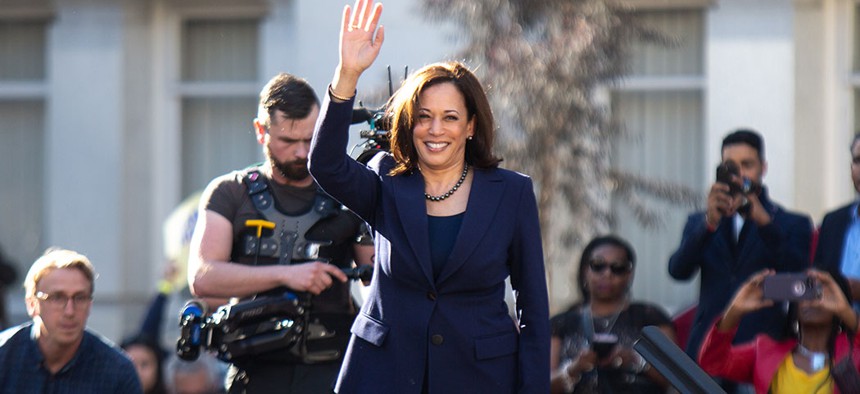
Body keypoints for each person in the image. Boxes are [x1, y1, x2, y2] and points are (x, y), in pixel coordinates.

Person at [308, 1, 550, 392]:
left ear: (471, 126)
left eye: (450, 117)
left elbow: (534, 309)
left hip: (480, 378)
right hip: (384, 375)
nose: (435, 130)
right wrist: (348, 74)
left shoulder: (512, 193)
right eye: (424, 116)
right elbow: (326, 165)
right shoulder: (386, 179)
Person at [187, 70, 375, 393]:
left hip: (332, 369)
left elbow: (379, 278)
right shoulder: (230, 193)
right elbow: (203, 278)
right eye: (289, 141)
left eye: (310, 139)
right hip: (255, 369)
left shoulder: (347, 188)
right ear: (261, 131)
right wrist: (287, 275)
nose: (302, 152)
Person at [668, 129, 813, 365]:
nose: (740, 175)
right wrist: (709, 224)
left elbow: (801, 281)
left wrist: (764, 222)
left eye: (747, 165)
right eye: (731, 167)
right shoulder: (700, 221)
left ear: (763, 168)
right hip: (708, 344)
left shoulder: (791, 222)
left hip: (761, 346)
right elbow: (678, 270)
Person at [0, 248, 142, 393]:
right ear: (32, 304)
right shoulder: (4, 357)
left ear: (90, 305)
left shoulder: (117, 371)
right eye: (57, 297)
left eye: (80, 298)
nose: (70, 311)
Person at [698, 269, 860, 394]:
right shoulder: (765, 351)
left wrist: (847, 313)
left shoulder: (854, 351)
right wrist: (734, 311)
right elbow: (712, 362)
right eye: (804, 290)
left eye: (820, 292)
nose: (811, 300)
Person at [549, 235, 675, 393]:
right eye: (598, 265)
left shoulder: (650, 317)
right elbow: (542, 385)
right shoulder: (561, 323)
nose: (607, 274)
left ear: (629, 274)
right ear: (584, 270)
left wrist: (636, 360)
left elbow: (675, 380)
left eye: (618, 267)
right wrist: (574, 369)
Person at [814, 134, 860, 308]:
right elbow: (816, 283)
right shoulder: (833, 222)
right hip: (836, 333)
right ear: (850, 168)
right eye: (858, 161)